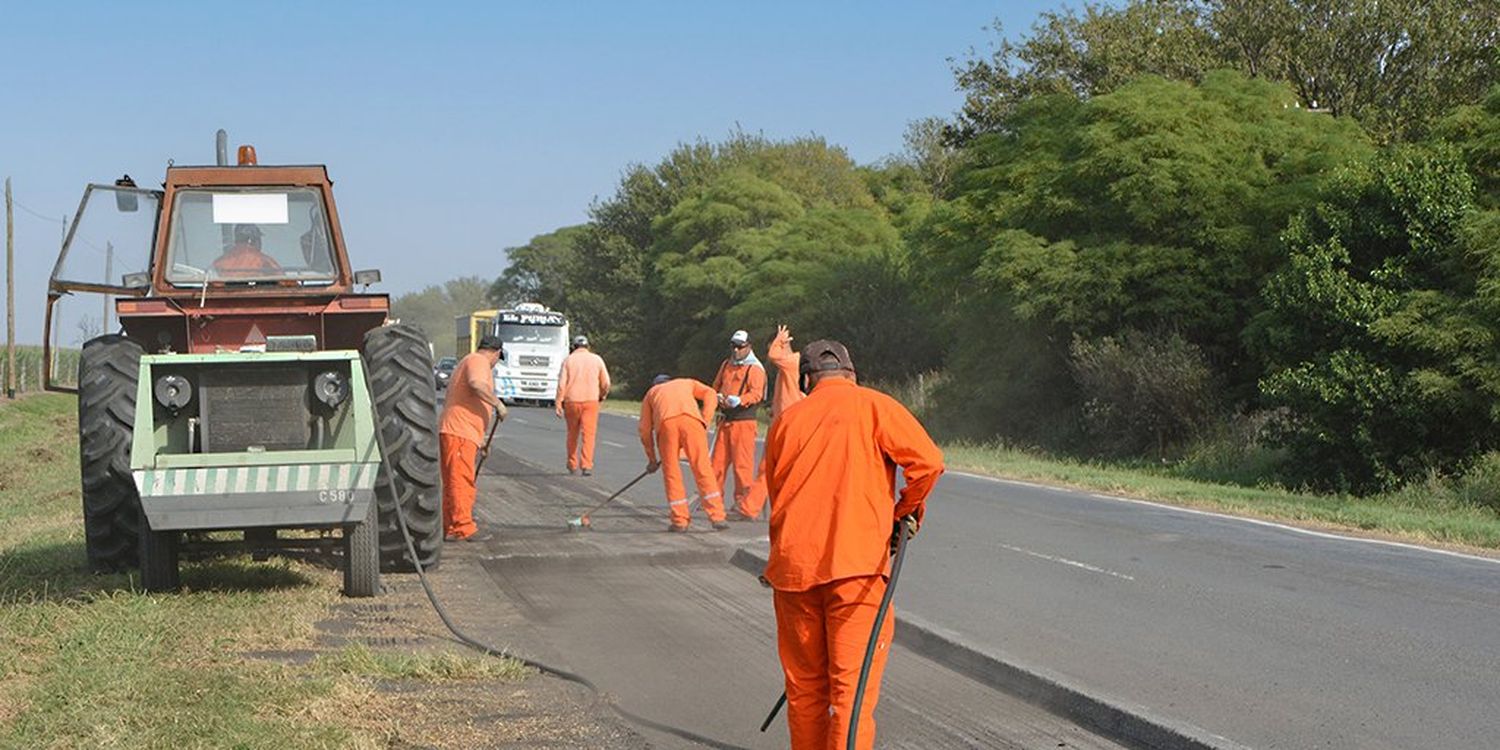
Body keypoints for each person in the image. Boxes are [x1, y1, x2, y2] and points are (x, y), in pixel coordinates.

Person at [761, 339, 945, 750]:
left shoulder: (786, 422)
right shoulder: (874, 406)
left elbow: (777, 494)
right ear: (852, 373)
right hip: (856, 574)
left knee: (805, 691)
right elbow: (928, 464)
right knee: (850, 695)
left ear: (807, 380)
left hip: (793, 575)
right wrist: (904, 513)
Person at [438, 334, 507, 541]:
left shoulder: (468, 361)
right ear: (496, 353)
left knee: (454, 481)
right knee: (461, 480)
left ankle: (451, 525)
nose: (495, 364)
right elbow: (477, 384)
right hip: (459, 432)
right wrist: (498, 404)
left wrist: (481, 441)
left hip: (461, 432)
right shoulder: (478, 361)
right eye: (497, 359)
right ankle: (462, 527)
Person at [639, 374, 729, 532]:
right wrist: (705, 421)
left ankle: (680, 520)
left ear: (655, 384)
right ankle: (718, 517)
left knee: (672, 473)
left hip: (666, 426)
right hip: (693, 422)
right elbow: (710, 393)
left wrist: (652, 459)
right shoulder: (686, 382)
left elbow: (645, 431)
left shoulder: (651, 393)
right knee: (703, 469)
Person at [730, 324, 802, 521]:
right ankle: (757, 506)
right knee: (777, 468)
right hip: (782, 419)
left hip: (788, 423)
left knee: (768, 467)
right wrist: (774, 408)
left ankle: (750, 508)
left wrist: (781, 338)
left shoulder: (791, 361)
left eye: (776, 344)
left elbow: (773, 355)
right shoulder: (790, 367)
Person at [711, 329, 766, 512]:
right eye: (733, 346)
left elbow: (757, 394)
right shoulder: (727, 364)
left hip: (744, 421)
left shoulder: (755, 368)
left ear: (748, 347)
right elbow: (716, 385)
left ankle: (742, 503)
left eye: (740, 347)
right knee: (716, 463)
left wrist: (739, 400)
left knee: (742, 466)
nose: (736, 350)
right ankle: (713, 499)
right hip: (725, 420)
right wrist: (717, 397)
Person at [554, 335, 611, 476]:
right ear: (588, 346)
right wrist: (602, 395)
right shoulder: (597, 359)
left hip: (572, 401)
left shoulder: (568, 360)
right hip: (591, 401)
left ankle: (572, 463)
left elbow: (562, 384)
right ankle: (586, 464)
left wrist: (558, 402)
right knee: (589, 434)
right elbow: (606, 383)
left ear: (573, 347)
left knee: (572, 433)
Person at [212, 224, 282, 277]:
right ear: (251, 240)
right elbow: (282, 280)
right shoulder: (263, 260)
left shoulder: (220, 261)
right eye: (258, 239)